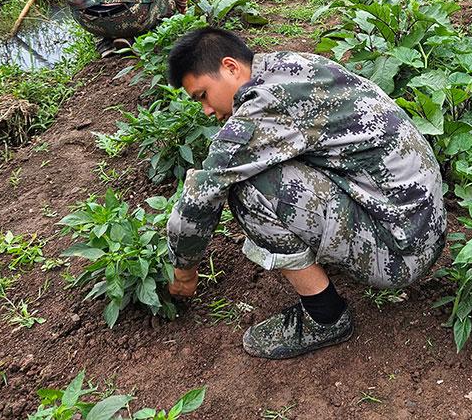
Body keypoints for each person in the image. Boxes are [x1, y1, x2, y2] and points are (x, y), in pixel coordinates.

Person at [164, 27, 446, 359]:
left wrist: (183, 273)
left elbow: (202, 194)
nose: (207, 111)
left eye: (202, 96)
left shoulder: (265, 106)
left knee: (248, 189)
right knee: (262, 170)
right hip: (420, 225)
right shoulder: (291, 65)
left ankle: (324, 317)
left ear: (230, 67)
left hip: (400, 252)